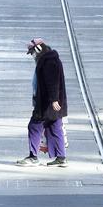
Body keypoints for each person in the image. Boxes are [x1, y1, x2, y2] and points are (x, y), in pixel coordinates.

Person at [17, 38, 68, 167]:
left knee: (34, 126)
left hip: (47, 104)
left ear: (39, 49)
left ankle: (33, 157)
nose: (33, 55)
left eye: (33, 52)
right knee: (55, 128)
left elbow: (53, 82)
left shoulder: (48, 61)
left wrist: (53, 99)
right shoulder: (51, 59)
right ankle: (61, 158)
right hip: (53, 103)